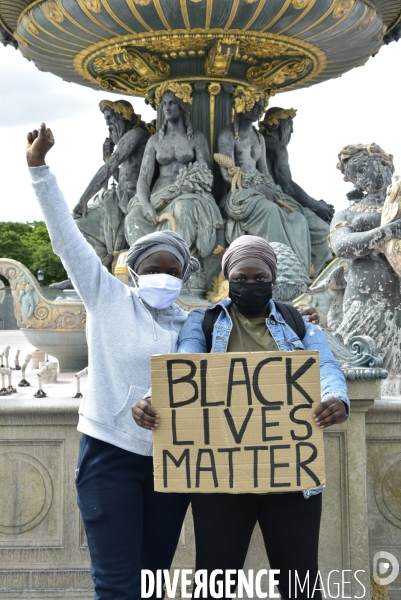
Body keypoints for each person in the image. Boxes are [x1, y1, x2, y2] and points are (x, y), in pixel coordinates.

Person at [26, 123, 200, 600]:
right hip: (110, 457)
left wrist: (295, 318)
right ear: (133, 270)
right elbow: (67, 242)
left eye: (171, 271)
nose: (161, 277)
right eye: (152, 269)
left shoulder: (194, 325)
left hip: (171, 465)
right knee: (117, 586)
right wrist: (39, 170)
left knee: (153, 583)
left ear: (184, 276)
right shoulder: (107, 298)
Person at [134, 235, 349, 600]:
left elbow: (325, 363)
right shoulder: (202, 322)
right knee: (215, 586)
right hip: (220, 480)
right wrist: (154, 399)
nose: (251, 285)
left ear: (273, 280)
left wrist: (335, 397)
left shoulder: (298, 322)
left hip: (291, 478)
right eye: (241, 278)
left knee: (301, 586)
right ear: (227, 278)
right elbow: (186, 368)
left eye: (260, 278)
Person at [217, 87, 311, 278]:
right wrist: (257, 188)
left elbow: (265, 173)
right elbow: (227, 176)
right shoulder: (227, 135)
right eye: (255, 104)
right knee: (271, 210)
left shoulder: (258, 137)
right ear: (242, 104)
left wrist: (273, 190)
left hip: (261, 189)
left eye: (261, 105)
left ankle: (298, 271)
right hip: (238, 193)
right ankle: (276, 269)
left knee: (298, 216)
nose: (259, 110)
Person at [124, 82, 224, 258]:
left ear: (182, 106)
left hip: (188, 193)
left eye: (172, 103)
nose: (167, 108)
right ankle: (147, 263)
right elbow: (144, 178)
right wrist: (145, 204)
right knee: (133, 217)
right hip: (159, 193)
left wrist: (184, 186)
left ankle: (179, 263)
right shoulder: (154, 141)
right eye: (164, 104)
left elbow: (206, 176)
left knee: (182, 208)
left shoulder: (197, 138)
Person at [330, 143, 401, 376]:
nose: (359, 180)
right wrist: (388, 231)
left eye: (361, 169)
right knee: (361, 379)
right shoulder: (348, 213)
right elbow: (342, 246)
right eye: (353, 177)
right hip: (364, 305)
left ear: (381, 160)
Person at [72, 99, 150, 269]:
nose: (108, 123)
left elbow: (108, 169)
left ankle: (92, 274)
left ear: (123, 116)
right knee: (79, 224)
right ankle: (97, 269)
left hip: (131, 198)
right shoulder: (133, 137)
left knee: (78, 225)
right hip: (121, 197)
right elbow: (121, 176)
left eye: (110, 117)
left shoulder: (135, 135)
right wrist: (107, 155)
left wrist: (84, 199)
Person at [260, 107, 334, 276]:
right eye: (289, 125)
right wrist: (316, 205)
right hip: (276, 196)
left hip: (270, 194)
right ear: (280, 126)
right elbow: (288, 187)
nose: (292, 130)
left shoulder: (262, 142)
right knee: (323, 230)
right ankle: (308, 276)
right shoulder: (277, 147)